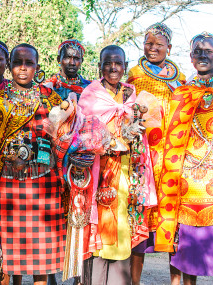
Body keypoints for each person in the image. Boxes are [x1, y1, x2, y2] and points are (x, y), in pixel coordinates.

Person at [0, 43, 67, 285]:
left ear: (37, 67)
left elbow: (61, 139)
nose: (23, 68)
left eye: (29, 63)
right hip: (7, 187)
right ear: (9, 66)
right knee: (8, 258)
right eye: (18, 63)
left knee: (42, 259)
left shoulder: (50, 97)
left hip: (44, 186)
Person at [76, 45, 156, 285]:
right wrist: (111, 140)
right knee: (97, 232)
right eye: (108, 63)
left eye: (118, 63)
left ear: (125, 65)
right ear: (99, 66)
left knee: (122, 229)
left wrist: (133, 135)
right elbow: (82, 136)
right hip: (97, 175)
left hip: (125, 175)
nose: (113, 68)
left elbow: (140, 136)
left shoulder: (132, 95)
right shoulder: (91, 95)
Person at [156, 32, 213, 285]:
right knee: (189, 259)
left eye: (208, 51)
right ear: (190, 57)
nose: (202, 55)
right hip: (188, 184)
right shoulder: (181, 93)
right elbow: (170, 141)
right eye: (197, 51)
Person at [126, 23, 186, 285]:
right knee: (139, 222)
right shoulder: (134, 75)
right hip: (142, 158)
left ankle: (175, 282)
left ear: (169, 48)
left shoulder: (181, 79)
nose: (152, 48)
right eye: (148, 44)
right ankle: (134, 281)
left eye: (158, 45)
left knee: (172, 222)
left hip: (172, 160)